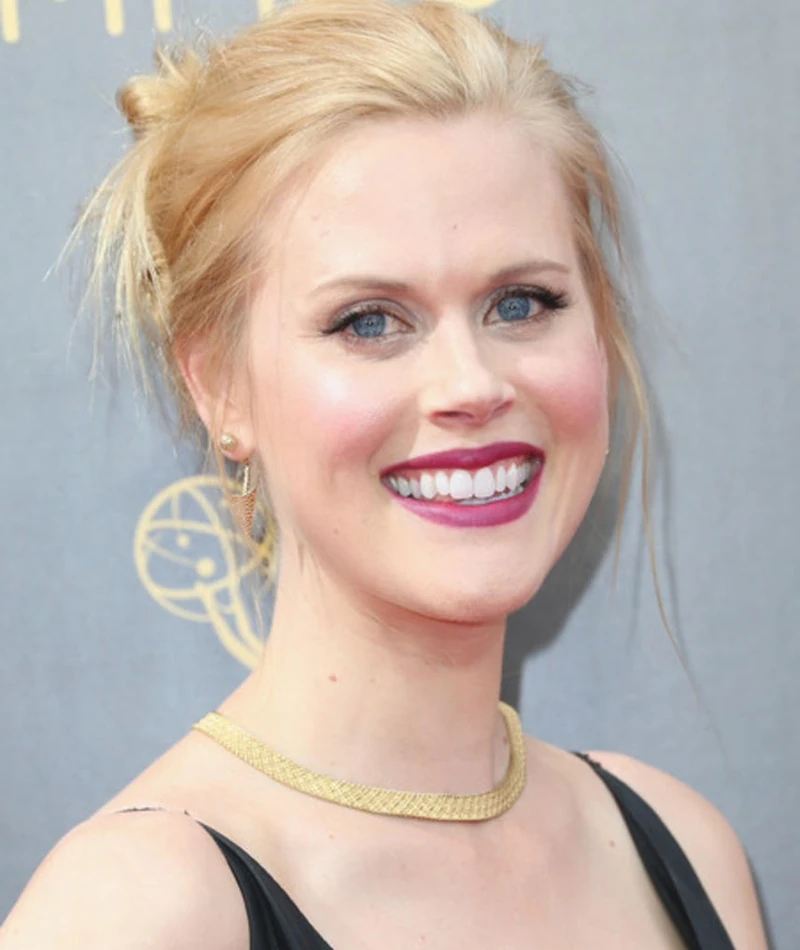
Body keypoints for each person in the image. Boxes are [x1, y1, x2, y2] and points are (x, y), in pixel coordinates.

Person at [0, 1, 768, 947]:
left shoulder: (680, 848)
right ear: (219, 386)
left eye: (521, 303)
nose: (472, 385)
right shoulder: (138, 912)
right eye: (369, 321)